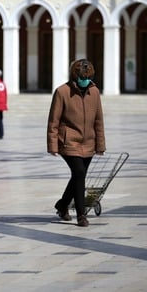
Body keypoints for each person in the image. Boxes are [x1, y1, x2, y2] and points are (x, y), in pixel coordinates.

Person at [47, 59, 106, 227]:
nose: (85, 80)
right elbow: (53, 121)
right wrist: (53, 145)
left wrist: (100, 144)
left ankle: (62, 205)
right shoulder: (62, 92)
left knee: (78, 176)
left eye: (88, 77)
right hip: (69, 141)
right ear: (75, 75)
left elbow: (99, 120)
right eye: (82, 77)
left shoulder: (94, 92)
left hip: (88, 142)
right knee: (79, 173)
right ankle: (81, 215)